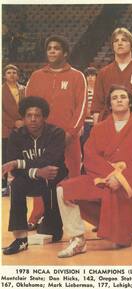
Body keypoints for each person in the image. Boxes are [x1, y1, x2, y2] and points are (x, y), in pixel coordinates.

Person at [56, 84, 132, 258]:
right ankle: (77, 238)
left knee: (119, 242)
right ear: (109, 105)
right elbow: (90, 156)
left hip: (128, 184)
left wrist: (120, 179)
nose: (119, 100)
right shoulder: (99, 128)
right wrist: (109, 176)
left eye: (123, 97)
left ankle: (120, 230)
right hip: (100, 179)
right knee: (63, 189)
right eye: (114, 98)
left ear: (130, 102)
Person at [91, 27, 132, 233]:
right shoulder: (104, 72)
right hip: (110, 130)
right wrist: (96, 129)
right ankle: (106, 217)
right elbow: (97, 105)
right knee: (107, 175)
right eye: (116, 40)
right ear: (112, 46)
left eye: (124, 40)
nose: (120, 43)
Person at [25, 35, 87, 233]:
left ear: (65, 53)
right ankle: (37, 216)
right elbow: (28, 107)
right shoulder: (36, 76)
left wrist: (70, 133)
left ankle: (73, 222)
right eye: (49, 48)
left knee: (71, 178)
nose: (52, 51)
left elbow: (82, 107)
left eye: (56, 48)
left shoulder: (77, 76)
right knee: (41, 176)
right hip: (41, 139)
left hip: (69, 139)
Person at [2, 96, 67, 255]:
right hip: (29, 178)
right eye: (29, 115)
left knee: (54, 234)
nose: (33, 119)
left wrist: (20, 163)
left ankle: (49, 222)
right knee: (16, 185)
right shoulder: (16, 135)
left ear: (44, 117)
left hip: (52, 177)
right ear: (23, 118)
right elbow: (12, 167)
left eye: (37, 115)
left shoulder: (56, 133)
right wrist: (35, 171)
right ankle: (20, 239)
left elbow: (51, 160)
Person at [2, 64, 25, 195]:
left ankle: (21, 183)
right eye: (9, 72)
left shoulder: (24, 89)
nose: (12, 74)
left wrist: (23, 122)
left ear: (18, 75)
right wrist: (13, 123)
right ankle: (4, 185)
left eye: (14, 72)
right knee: (5, 157)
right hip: (6, 129)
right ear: (4, 75)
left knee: (22, 156)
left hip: (23, 127)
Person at [80, 67, 97, 158]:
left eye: (93, 75)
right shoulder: (83, 91)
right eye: (88, 75)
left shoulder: (99, 91)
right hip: (86, 122)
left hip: (97, 122)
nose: (90, 77)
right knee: (85, 143)